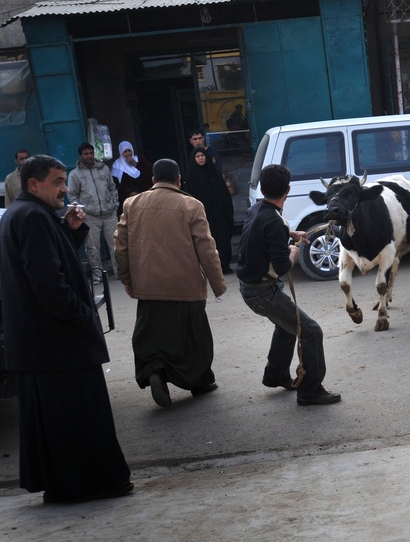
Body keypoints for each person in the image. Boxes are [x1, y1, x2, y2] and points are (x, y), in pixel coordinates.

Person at [0, 154, 132, 503]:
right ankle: (87, 484)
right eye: (57, 182)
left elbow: (49, 258)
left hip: (42, 345)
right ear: (34, 184)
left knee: (57, 421)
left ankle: (65, 485)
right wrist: (81, 316)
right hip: (57, 343)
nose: (64, 189)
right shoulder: (30, 216)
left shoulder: (29, 213)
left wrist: (68, 230)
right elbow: (47, 283)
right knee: (78, 420)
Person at [114, 158, 227, 408]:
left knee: (151, 336)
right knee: (194, 336)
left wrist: (127, 278)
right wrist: (217, 284)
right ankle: (200, 382)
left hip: (148, 286)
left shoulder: (132, 204)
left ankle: (156, 370)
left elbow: (120, 246)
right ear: (179, 180)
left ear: (153, 180)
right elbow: (207, 249)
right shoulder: (191, 205)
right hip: (186, 286)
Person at [236, 163, 341, 406]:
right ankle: (310, 391)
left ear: (262, 189)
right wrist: (294, 250)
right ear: (288, 190)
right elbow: (283, 267)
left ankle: (275, 375)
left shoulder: (257, 210)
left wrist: (289, 233)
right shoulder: (274, 221)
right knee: (312, 331)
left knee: (286, 327)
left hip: (249, 287)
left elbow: (260, 234)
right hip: (262, 292)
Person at [67, 142, 119, 283]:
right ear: (81, 155)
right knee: (93, 248)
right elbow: (72, 196)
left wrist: (115, 205)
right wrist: (81, 211)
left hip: (109, 214)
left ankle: (119, 273)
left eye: (91, 153)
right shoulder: (75, 174)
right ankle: (98, 276)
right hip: (90, 216)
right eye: (86, 154)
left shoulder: (104, 169)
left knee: (116, 245)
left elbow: (112, 188)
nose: (89, 156)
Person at [186, 147, 235, 273]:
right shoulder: (192, 178)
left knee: (222, 239)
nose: (201, 158)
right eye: (197, 156)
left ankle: (224, 265)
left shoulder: (214, 174)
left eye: (202, 155)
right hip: (202, 217)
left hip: (219, 215)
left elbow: (225, 195)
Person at [110, 141, 153, 214]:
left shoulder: (139, 159)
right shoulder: (117, 165)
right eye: (125, 151)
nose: (128, 153)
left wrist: (135, 164)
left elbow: (150, 173)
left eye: (129, 151)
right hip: (127, 202)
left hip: (144, 198)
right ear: (121, 152)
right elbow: (114, 184)